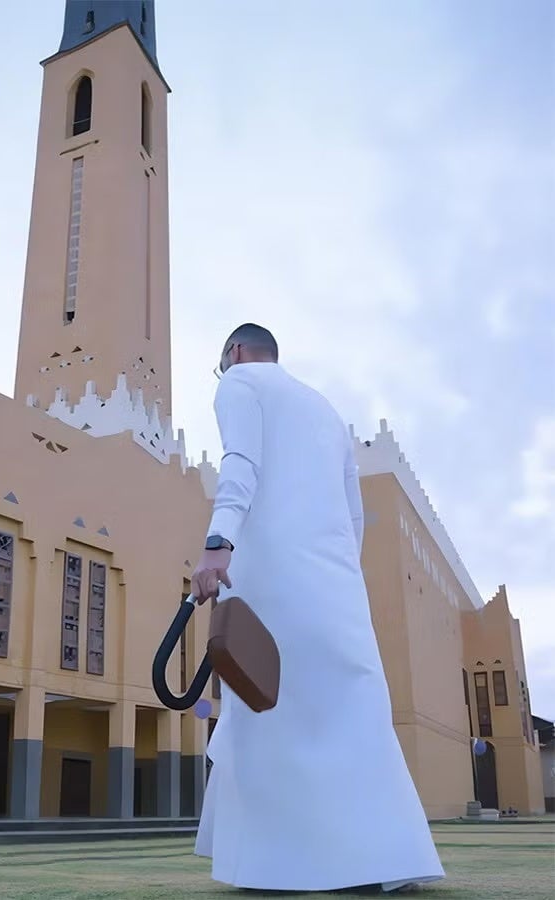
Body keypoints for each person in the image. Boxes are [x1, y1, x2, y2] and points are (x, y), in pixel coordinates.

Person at [191, 324, 445, 893]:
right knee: (353, 711)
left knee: (267, 705)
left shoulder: (238, 385)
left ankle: (270, 865)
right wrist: (337, 577)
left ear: (234, 353)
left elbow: (240, 463)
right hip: (334, 582)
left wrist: (217, 544)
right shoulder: (326, 410)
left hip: (271, 570)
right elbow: (353, 514)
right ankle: (389, 861)